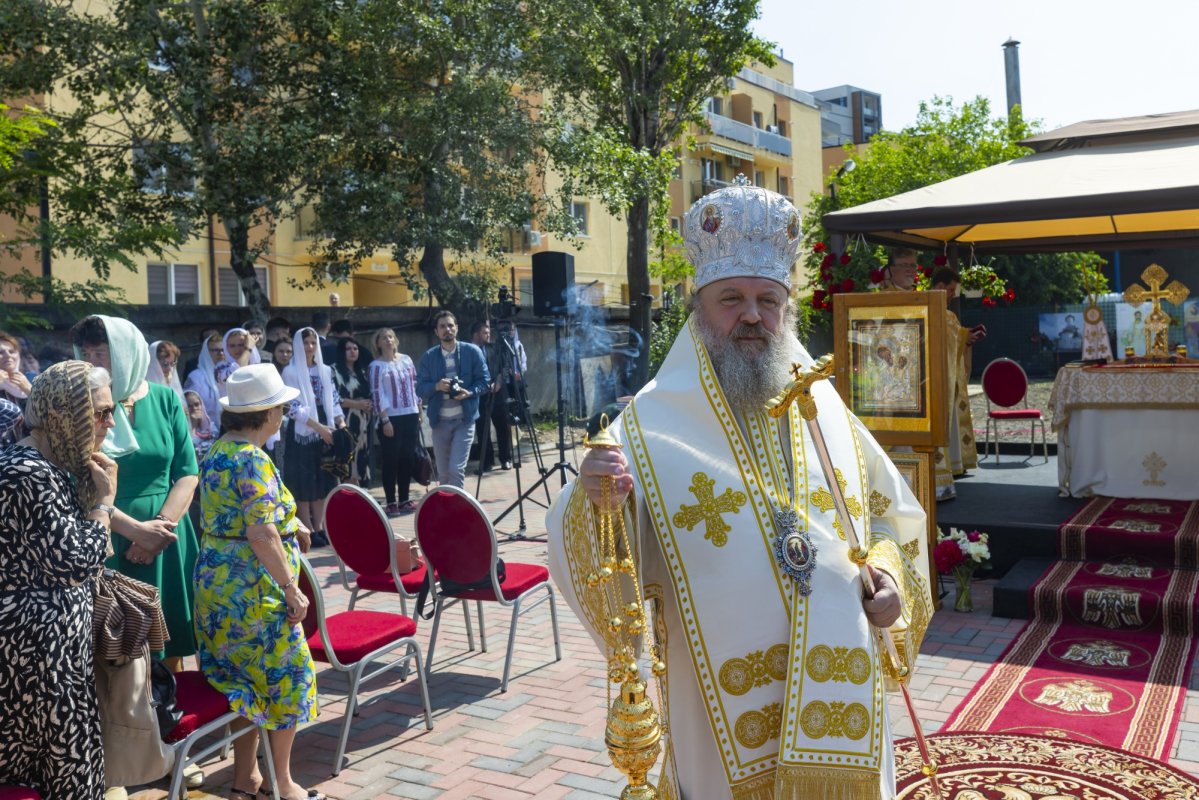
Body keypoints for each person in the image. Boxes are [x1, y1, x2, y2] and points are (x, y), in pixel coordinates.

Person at [546, 181, 931, 800]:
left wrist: (888, 581)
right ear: (699, 309)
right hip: (717, 712)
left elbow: (888, 520)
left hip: (842, 689)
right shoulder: (646, 426)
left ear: (786, 309)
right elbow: (593, 546)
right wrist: (599, 500)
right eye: (732, 299)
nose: (752, 315)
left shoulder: (824, 405)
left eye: (767, 299)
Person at [194, 364, 323, 800]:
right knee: (288, 677)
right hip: (252, 587)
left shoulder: (219, 450)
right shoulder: (252, 458)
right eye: (281, 408)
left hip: (217, 582)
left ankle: (245, 778)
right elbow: (260, 532)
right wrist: (291, 587)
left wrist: (290, 523)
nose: (283, 415)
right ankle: (282, 784)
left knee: (243, 682)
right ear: (267, 413)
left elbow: (248, 515)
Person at [0, 361, 117, 799]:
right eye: (100, 412)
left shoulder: (48, 464)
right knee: (62, 771)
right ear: (60, 414)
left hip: (53, 652)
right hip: (36, 659)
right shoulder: (27, 471)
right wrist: (104, 503)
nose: (109, 423)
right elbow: (75, 561)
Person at [73, 316, 200, 670]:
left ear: (125, 353)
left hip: (167, 537)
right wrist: (137, 532)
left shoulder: (165, 399)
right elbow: (76, 483)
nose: (91, 363)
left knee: (171, 646)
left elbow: (187, 473)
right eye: (85, 354)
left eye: (100, 353)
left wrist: (159, 529)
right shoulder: (81, 408)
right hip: (109, 537)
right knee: (117, 653)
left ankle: (169, 704)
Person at [281, 327, 346, 546]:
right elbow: (291, 407)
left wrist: (341, 424)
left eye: (312, 342)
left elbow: (334, 398)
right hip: (304, 430)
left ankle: (319, 527)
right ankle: (307, 527)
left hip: (325, 426)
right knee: (304, 481)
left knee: (323, 480)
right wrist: (319, 428)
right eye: (305, 343)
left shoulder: (325, 370)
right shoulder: (290, 372)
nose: (309, 347)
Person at [416, 310, 489, 489]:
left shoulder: (473, 351)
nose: (447, 329)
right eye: (442, 326)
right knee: (443, 474)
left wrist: (469, 392)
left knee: (456, 470)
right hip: (439, 422)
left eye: (450, 325)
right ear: (436, 332)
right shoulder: (428, 357)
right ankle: (447, 505)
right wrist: (437, 386)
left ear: (457, 328)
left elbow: (485, 381)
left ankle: (457, 505)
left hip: (464, 420)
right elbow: (420, 388)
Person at [930, 268, 985, 493]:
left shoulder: (946, 314)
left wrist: (966, 337)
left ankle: (954, 462)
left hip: (948, 373)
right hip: (937, 375)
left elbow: (953, 339)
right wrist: (963, 336)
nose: (953, 294)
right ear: (940, 286)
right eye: (951, 290)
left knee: (951, 415)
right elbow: (943, 340)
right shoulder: (933, 310)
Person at [370, 328, 420, 516]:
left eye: (390, 337)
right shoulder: (376, 366)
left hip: (410, 413)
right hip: (391, 417)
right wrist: (384, 420)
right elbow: (377, 393)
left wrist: (419, 408)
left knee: (408, 457)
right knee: (391, 459)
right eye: (384, 338)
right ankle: (391, 501)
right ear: (378, 343)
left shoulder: (406, 360)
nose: (388, 340)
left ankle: (404, 499)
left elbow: (414, 384)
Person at [470, 319, 513, 472]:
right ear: (476, 335)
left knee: (503, 427)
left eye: (489, 332)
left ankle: (505, 459)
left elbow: (505, 366)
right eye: (485, 333)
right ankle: (487, 462)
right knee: (483, 430)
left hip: (497, 395)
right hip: (479, 397)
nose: (489, 335)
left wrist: (499, 382)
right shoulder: (468, 351)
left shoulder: (494, 348)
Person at [331, 336, 374, 488]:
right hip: (345, 421)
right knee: (347, 459)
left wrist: (368, 404)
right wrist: (357, 404)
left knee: (362, 457)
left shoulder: (361, 371)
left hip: (364, 423)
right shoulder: (334, 370)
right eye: (348, 349)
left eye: (355, 348)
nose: (352, 351)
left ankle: (361, 492)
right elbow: (334, 398)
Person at [185, 333, 225, 425]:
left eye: (223, 350)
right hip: (206, 429)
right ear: (206, 352)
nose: (221, 353)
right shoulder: (195, 377)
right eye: (215, 350)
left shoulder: (232, 373)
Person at [0, 331, 32, 445]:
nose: (8, 355)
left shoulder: (30, 382)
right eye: (0, 352)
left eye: (12, 351)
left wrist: (29, 390)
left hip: (30, 450)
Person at [146, 339, 186, 406]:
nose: (170, 368)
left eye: (172, 364)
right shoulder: (143, 387)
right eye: (165, 364)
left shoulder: (170, 380)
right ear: (153, 363)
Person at [185, 389, 219, 463]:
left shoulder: (212, 428)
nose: (194, 408)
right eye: (189, 406)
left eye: (197, 404)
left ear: (202, 405)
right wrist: (193, 424)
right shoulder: (183, 431)